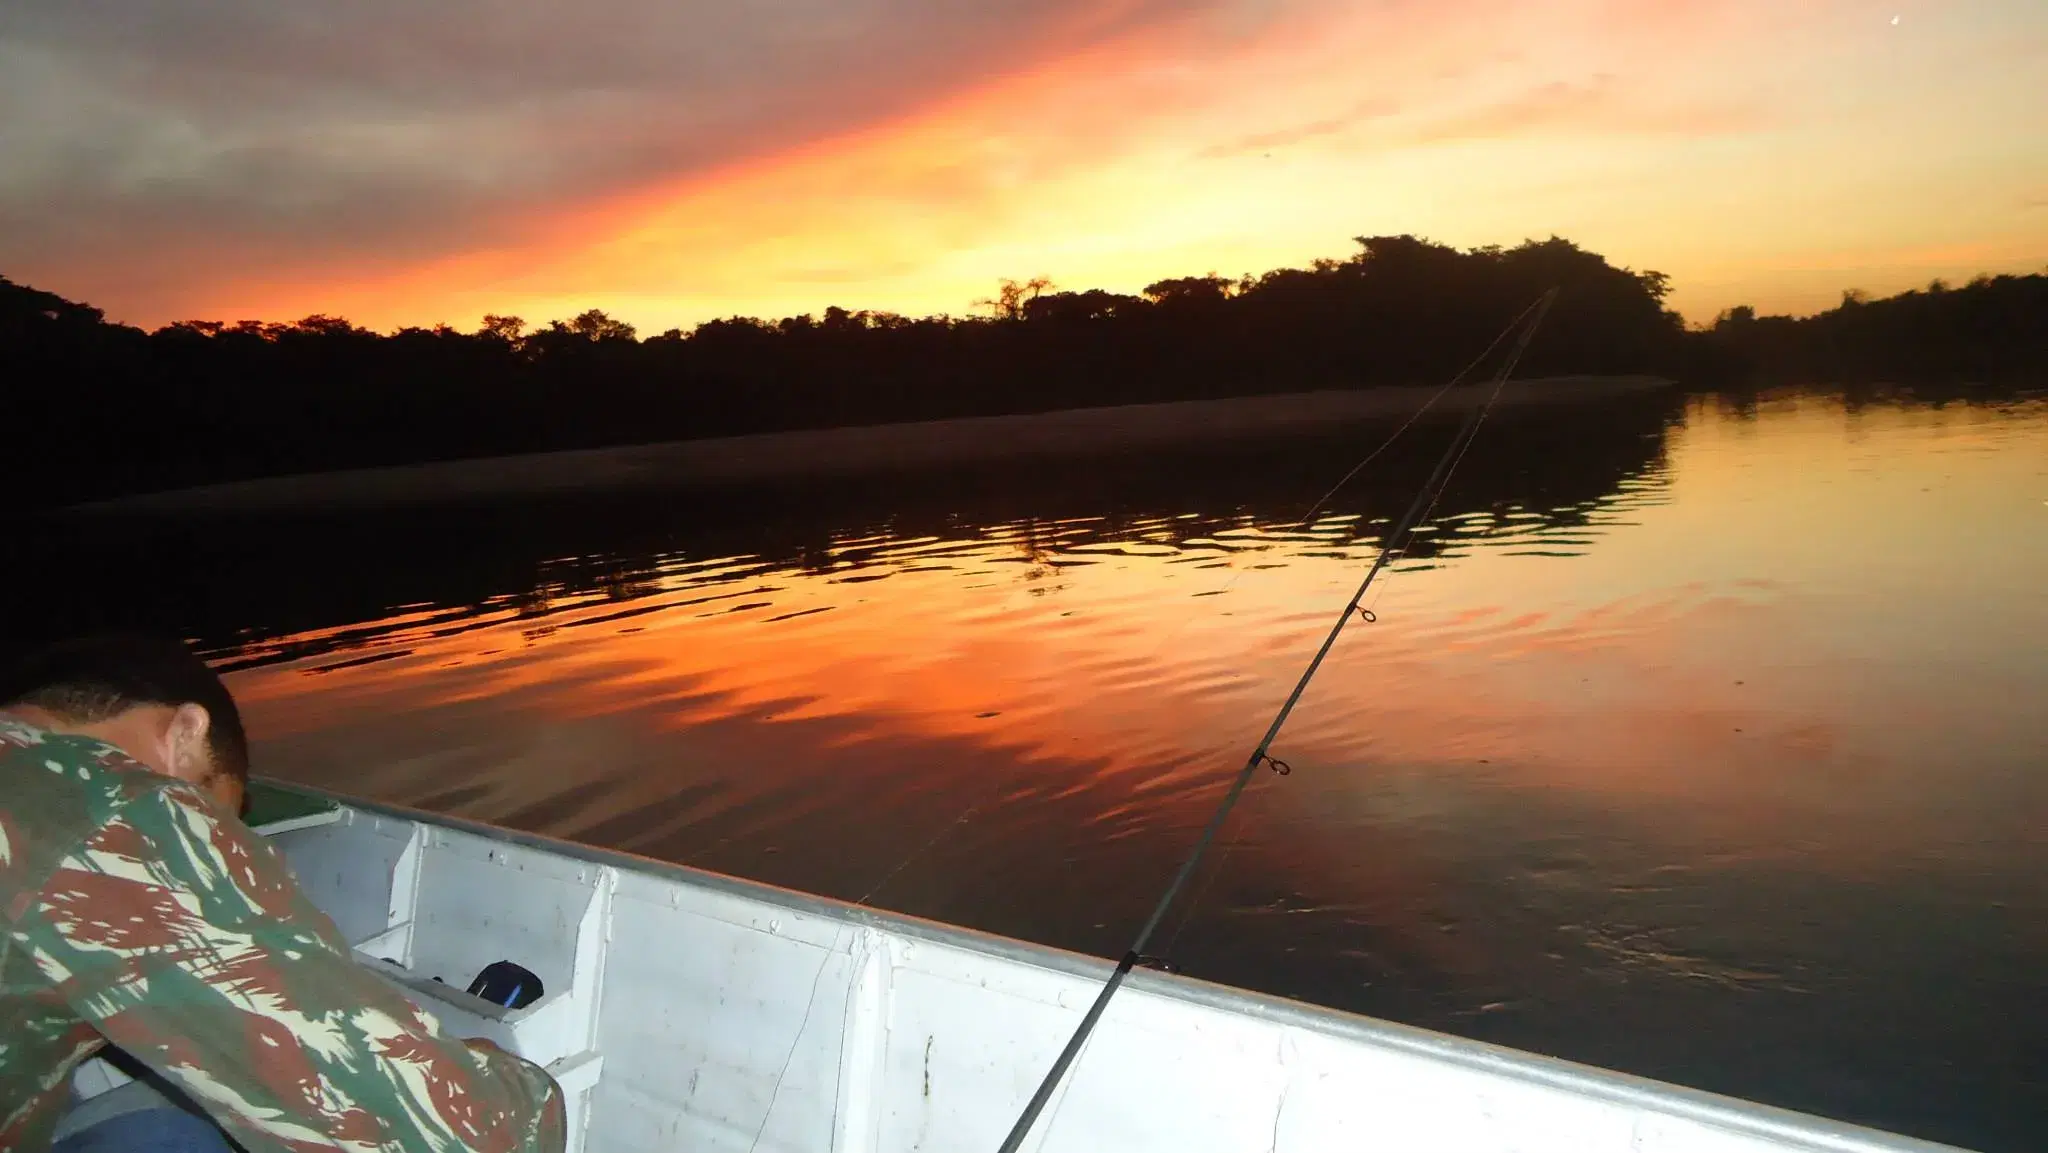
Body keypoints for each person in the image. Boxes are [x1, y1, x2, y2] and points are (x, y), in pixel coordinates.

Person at [0, 634, 565, 1153]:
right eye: (216, 811)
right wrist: (516, 1089)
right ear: (186, 734)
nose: (218, 835)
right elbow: (461, 1139)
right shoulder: (120, 813)